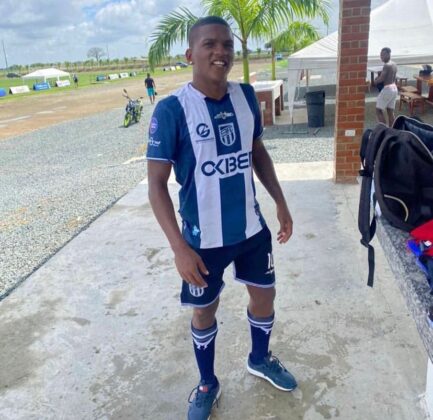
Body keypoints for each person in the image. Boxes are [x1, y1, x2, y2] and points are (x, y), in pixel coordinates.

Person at [146, 16, 296, 420]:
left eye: (227, 45)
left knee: (264, 296)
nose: (221, 52)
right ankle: (207, 383)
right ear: (189, 54)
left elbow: (257, 152)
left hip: (251, 230)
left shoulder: (245, 96)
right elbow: (156, 186)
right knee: (204, 310)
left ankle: (259, 359)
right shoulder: (172, 110)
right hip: (202, 241)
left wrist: (280, 201)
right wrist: (178, 248)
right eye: (210, 44)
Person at [374, 47, 398, 127]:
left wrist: (374, 82)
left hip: (387, 89)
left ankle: (384, 130)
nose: (381, 57)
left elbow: (382, 78)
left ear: (388, 54)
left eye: (383, 54)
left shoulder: (387, 65)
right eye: (380, 55)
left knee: (378, 110)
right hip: (394, 88)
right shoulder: (394, 64)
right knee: (390, 111)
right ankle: (392, 130)